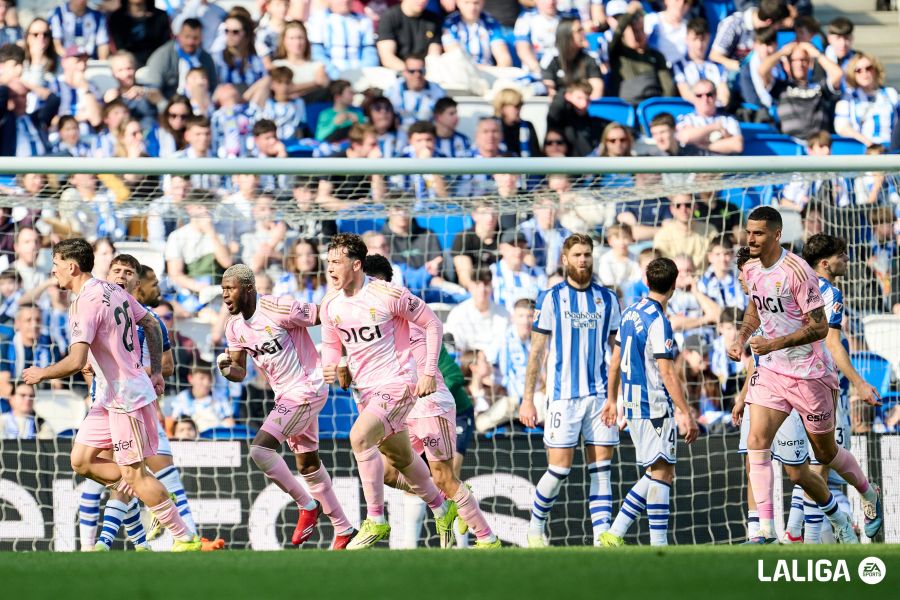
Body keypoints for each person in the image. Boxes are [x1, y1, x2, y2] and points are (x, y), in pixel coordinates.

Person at [21, 238, 210, 551]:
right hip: (110, 396)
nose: (53, 271)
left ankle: (184, 537)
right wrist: (155, 370)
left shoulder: (86, 303)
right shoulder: (113, 291)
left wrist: (41, 373)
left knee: (134, 476)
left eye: (55, 265)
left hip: (126, 399)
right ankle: (155, 490)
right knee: (81, 461)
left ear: (71, 266)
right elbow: (149, 321)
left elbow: (77, 361)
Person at [726, 207, 883, 544]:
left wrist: (775, 343)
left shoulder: (799, 272)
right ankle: (765, 530)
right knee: (757, 442)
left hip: (809, 375)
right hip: (771, 372)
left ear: (776, 234)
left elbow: (820, 327)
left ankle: (868, 494)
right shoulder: (751, 268)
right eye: (748, 232)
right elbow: (755, 307)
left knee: (824, 456)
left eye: (758, 234)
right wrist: (741, 338)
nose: (750, 239)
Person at [319, 233, 459, 549]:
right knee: (402, 459)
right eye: (328, 262)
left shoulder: (387, 294)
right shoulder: (330, 303)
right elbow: (330, 345)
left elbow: (433, 323)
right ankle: (442, 506)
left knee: (358, 437)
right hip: (365, 393)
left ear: (356, 265)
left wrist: (427, 373)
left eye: (336, 262)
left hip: (398, 384)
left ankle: (376, 520)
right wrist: (333, 364)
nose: (330, 269)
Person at [356, 253, 501, 548]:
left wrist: (428, 373)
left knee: (445, 477)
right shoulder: (365, 319)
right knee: (387, 471)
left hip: (430, 403)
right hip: (400, 406)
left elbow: (436, 338)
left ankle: (488, 539)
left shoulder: (406, 308)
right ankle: (449, 499)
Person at [217, 263, 356, 549]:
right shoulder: (234, 328)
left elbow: (325, 315)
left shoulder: (280, 308)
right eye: (223, 290)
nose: (225, 295)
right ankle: (344, 529)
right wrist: (225, 369)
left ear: (249, 288)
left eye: (230, 289)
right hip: (285, 396)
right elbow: (239, 372)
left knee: (259, 449)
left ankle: (307, 505)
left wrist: (342, 356)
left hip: (308, 388)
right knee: (307, 463)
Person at [519, 234, 621, 547]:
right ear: (565, 259)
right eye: (577, 254)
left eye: (587, 254)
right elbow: (537, 352)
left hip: (601, 397)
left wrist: (617, 398)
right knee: (559, 469)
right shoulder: (551, 298)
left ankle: (600, 538)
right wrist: (528, 399)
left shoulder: (608, 299)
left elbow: (618, 351)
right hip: (563, 398)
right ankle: (535, 528)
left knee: (601, 471)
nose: (583, 260)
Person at [599, 257, 699, 547]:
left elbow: (615, 360)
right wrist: (685, 412)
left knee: (656, 471)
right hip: (653, 404)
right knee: (663, 473)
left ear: (646, 281)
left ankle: (615, 533)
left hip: (632, 404)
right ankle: (658, 545)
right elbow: (667, 371)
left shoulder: (630, 312)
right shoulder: (659, 321)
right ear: (674, 285)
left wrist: (611, 399)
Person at [802, 234, 882, 543]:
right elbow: (832, 342)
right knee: (810, 467)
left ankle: (812, 539)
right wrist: (861, 384)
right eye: (842, 255)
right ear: (825, 263)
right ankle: (859, 501)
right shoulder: (827, 292)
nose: (846, 260)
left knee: (815, 467)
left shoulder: (804, 289)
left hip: (811, 390)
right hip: (813, 389)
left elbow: (831, 343)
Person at [759, 41, 843, 141]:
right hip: (790, 143)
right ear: (788, 64)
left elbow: (838, 73)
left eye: (803, 60)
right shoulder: (780, 87)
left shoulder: (819, 86)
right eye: (794, 60)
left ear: (809, 63)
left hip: (817, 144)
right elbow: (762, 70)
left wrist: (816, 53)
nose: (799, 64)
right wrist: (782, 52)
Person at [607, 2, 675, 106]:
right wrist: (629, 13)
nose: (637, 35)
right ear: (624, 34)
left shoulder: (656, 56)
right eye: (633, 31)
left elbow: (668, 87)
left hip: (652, 108)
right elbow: (617, 32)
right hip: (627, 108)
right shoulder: (618, 53)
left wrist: (661, 109)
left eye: (640, 30)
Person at [834, 52, 898, 148]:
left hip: (891, 149)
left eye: (868, 68)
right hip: (864, 151)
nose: (864, 73)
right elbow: (841, 127)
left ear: (875, 70)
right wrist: (868, 143)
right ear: (853, 74)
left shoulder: (891, 94)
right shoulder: (848, 99)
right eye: (858, 70)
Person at [144, 18, 217, 102]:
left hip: (200, 105)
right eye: (187, 37)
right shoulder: (163, 55)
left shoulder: (206, 59)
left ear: (201, 38)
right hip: (170, 106)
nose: (190, 42)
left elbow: (213, 87)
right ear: (178, 36)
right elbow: (153, 90)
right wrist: (165, 108)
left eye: (195, 38)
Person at [709, 0, 788, 74]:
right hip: (733, 78)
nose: (780, 27)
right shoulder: (734, 24)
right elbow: (714, 56)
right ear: (769, 22)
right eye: (780, 24)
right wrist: (736, 65)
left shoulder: (766, 30)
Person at [308, 0, 378, 80]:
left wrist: (361, 73)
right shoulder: (318, 19)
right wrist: (334, 74)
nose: (345, 1)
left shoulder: (364, 20)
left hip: (359, 73)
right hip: (330, 74)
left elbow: (369, 52)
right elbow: (317, 53)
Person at [675, 79, 743, 155]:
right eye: (699, 95)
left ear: (716, 95)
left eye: (709, 94)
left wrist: (703, 145)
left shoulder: (728, 119)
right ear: (693, 97)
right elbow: (686, 137)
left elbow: (737, 145)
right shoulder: (685, 119)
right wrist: (714, 127)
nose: (705, 99)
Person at [541, 17, 603, 99]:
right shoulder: (550, 59)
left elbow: (597, 92)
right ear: (566, 35)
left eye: (583, 29)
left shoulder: (590, 58)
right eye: (579, 30)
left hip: (584, 106)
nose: (583, 33)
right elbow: (549, 91)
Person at [673, 18, 729, 107]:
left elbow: (724, 96)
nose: (699, 45)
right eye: (694, 39)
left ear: (709, 38)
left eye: (702, 39)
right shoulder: (679, 66)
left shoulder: (718, 66)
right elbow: (686, 94)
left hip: (716, 112)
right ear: (686, 39)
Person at [376, 0, 443, 71]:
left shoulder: (433, 20)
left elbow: (434, 55)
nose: (422, 1)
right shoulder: (389, 17)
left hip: (425, 71)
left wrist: (422, 73)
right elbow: (387, 58)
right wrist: (410, 72)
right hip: (396, 71)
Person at [441, 0, 511, 67]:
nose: (472, 7)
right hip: (461, 71)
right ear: (458, 3)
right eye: (467, 2)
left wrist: (502, 69)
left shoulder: (491, 23)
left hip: (488, 72)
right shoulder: (450, 24)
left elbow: (503, 56)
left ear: (483, 2)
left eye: (476, 3)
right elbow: (454, 55)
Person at [491, 230, 547, 309]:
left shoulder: (537, 272)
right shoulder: (492, 272)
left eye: (521, 246)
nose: (518, 251)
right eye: (513, 246)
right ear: (501, 248)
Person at [384, 55, 446, 127]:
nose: (417, 75)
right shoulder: (393, 90)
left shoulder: (437, 90)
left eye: (421, 71)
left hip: (427, 134)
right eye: (412, 71)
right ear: (405, 72)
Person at [107, 0, 170, 68]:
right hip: (128, 68)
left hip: (158, 65)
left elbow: (166, 46)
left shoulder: (161, 16)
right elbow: (118, 49)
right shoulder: (116, 18)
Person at [493, 88, 541, 157]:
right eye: (516, 106)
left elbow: (536, 155)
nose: (519, 109)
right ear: (502, 107)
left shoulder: (528, 126)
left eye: (520, 105)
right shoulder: (491, 126)